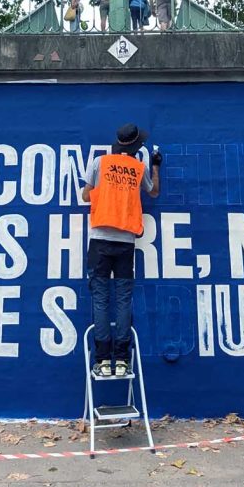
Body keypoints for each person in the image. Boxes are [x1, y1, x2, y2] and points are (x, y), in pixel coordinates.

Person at [83, 124, 162, 378]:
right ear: (137, 146)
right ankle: (123, 360)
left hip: (100, 240)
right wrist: (156, 165)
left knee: (101, 299)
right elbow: (154, 192)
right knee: (123, 299)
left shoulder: (99, 163)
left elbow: (86, 196)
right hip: (126, 242)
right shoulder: (139, 168)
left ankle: (104, 360)